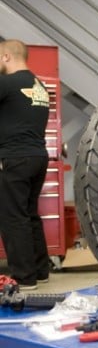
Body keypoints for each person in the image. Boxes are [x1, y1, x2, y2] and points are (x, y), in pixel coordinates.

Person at [0, 39, 51, 290]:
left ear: (6, 56)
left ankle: (23, 277)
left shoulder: (7, 83)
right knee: (30, 215)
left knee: (13, 217)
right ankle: (41, 271)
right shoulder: (38, 85)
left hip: (15, 158)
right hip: (38, 158)